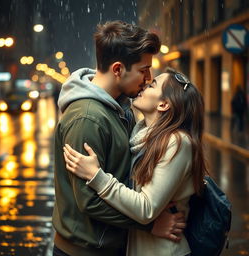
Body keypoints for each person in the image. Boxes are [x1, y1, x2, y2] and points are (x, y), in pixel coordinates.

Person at [52, 21, 185, 256]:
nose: (148, 78)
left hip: (109, 245)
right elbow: (89, 201)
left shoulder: (120, 107)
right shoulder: (88, 118)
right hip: (85, 250)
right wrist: (150, 224)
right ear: (117, 69)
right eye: (143, 70)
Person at [63, 68, 208, 256]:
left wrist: (96, 176)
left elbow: (145, 208)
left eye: (153, 85)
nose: (146, 84)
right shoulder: (142, 138)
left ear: (164, 104)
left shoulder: (177, 142)